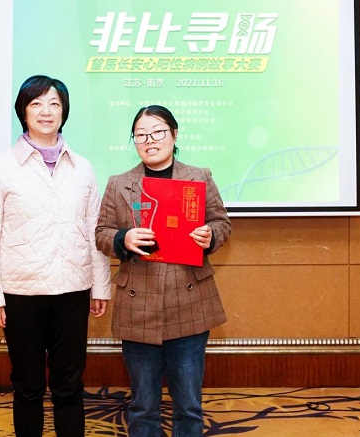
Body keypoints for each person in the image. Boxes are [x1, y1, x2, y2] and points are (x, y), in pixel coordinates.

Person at [0, 74, 111, 437]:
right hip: (21, 294)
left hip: (72, 291)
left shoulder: (83, 167)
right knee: (28, 385)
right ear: (23, 111)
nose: (46, 111)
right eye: (36, 103)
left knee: (69, 385)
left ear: (64, 112)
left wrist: (100, 287)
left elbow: (94, 231)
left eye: (54, 104)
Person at [95, 105, 231, 435]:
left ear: (174, 134)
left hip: (190, 301)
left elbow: (222, 223)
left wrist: (210, 235)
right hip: (137, 305)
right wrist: (123, 238)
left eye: (157, 132)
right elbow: (101, 233)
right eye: (141, 135)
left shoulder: (199, 177)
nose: (149, 140)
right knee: (142, 406)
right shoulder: (118, 184)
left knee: (189, 406)